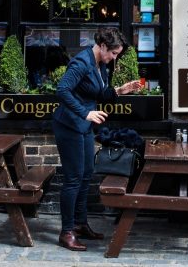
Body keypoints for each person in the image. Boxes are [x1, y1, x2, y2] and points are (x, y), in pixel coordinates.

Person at [52, 28, 142, 252]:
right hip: (69, 125)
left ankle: (80, 224)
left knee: (86, 173)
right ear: (102, 46)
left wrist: (120, 91)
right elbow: (62, 90)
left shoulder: (100, 64)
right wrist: (85, 112)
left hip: (83, 126)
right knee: (73, 177)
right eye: (113, 53)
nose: (115, 58)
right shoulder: (81, 62)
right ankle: (66, 232)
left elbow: (98, 93)